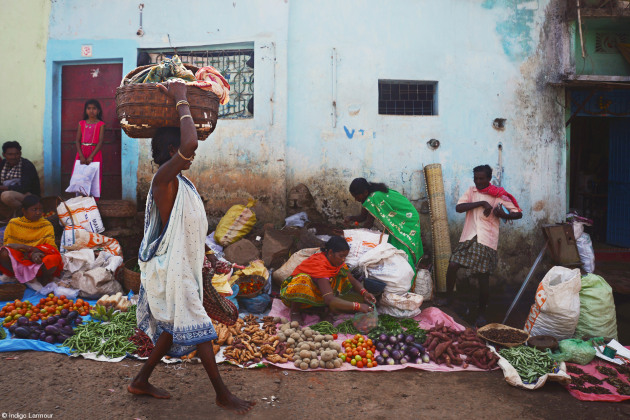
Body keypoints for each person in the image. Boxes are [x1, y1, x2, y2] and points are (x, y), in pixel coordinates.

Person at [128, 80, 254, 414]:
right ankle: (222, 394)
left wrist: (212, 257)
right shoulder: (164, 180)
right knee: (199, 326)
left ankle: (140, 380)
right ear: (173, 152)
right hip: (171, 269)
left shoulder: (183, 183)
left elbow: (189, 229)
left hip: (182, 266)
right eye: (187, 152)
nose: (192, 155)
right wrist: (181, 98)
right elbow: (190, 139)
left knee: (174, 326)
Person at [440, 165, 522, 327]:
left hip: (486, 240)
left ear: (488, 179)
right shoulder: (472, 192)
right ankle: (450, 299)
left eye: (481, 178)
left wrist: (504, 214)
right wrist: (481, 203)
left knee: (482, 277)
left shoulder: (499, 195)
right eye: (476, 178)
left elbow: (518, 213)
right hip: (469, 237)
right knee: (453, 264)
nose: (478, 181)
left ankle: (482, 312)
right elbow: (459, 208)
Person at [280, 236, 377, 323]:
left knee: (342, 276)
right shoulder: (319, 265)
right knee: (302, 280)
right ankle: (295, 311)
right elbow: (329, 299)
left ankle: (326, 311)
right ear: (330, 252)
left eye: (345, 256)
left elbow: (353, 280)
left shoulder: (337, 264)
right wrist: (358, 306)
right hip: (298, 296)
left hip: (320, 294)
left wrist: (364, 293)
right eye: (341, 256)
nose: (343, 259)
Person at [344, 178, 423, 272]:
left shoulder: (374, 197)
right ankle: (399, 270)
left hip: (407, 218)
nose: (356, 200)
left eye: (357, 196)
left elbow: (368, 224)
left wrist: (353, 235)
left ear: (365, 192)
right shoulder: (369, 196)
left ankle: (408, 272)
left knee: (402, 244)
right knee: (392, 244)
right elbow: (362, 217)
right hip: (403, 217)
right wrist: (351, 218)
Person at [0, 195, 62, 285]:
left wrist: (31, 251)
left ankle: (42, 279)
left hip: (38, 257)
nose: (38, 212)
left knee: (53, 259)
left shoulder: (46, 225)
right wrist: (28, 254)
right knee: (4, 253)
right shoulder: (14, 223)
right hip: (20, 259)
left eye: (40, 209)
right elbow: (10, 247)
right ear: (24, 211)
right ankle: (18, 275)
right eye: (34, 209)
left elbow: (51, 248)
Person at [72, 99, 105, 199]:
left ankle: (93, 203)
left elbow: (100, 142)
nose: (91, 111)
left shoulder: (101, 124)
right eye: (89, 108)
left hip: (95, 154)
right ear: (85, 110)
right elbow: (77, 140)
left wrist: (91, 157)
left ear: (98, 111)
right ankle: (80, 201)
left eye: (94, 108)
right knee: (80, 178)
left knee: (94, 178)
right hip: (81, 153)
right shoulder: (81, 123)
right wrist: (81, 155)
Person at [0, 141, 41, 212]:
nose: (13, 157)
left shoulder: (26, 165)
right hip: (11, 192)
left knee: (6, 196)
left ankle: (25, 212)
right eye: (10, 154)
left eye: (16, 154)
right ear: (4, 155)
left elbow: (25, 188)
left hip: (28, 195)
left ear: (20, 154)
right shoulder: (3, 164)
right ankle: (7, 215)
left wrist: (4, 187)